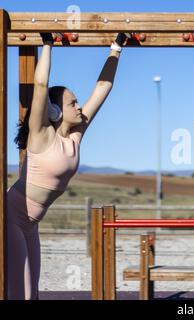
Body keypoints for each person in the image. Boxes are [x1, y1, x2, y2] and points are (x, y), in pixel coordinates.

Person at [7, 32, 128, 299]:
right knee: (21, 294)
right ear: (55, 111)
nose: (79, 106)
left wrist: (116, 49)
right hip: (11, 218)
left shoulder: (75, 136)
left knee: (33, 293)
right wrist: (48, 45)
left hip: (31, 223)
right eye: (72, 103)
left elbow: (102, 88)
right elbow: (40, 85)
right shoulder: (41, 135)